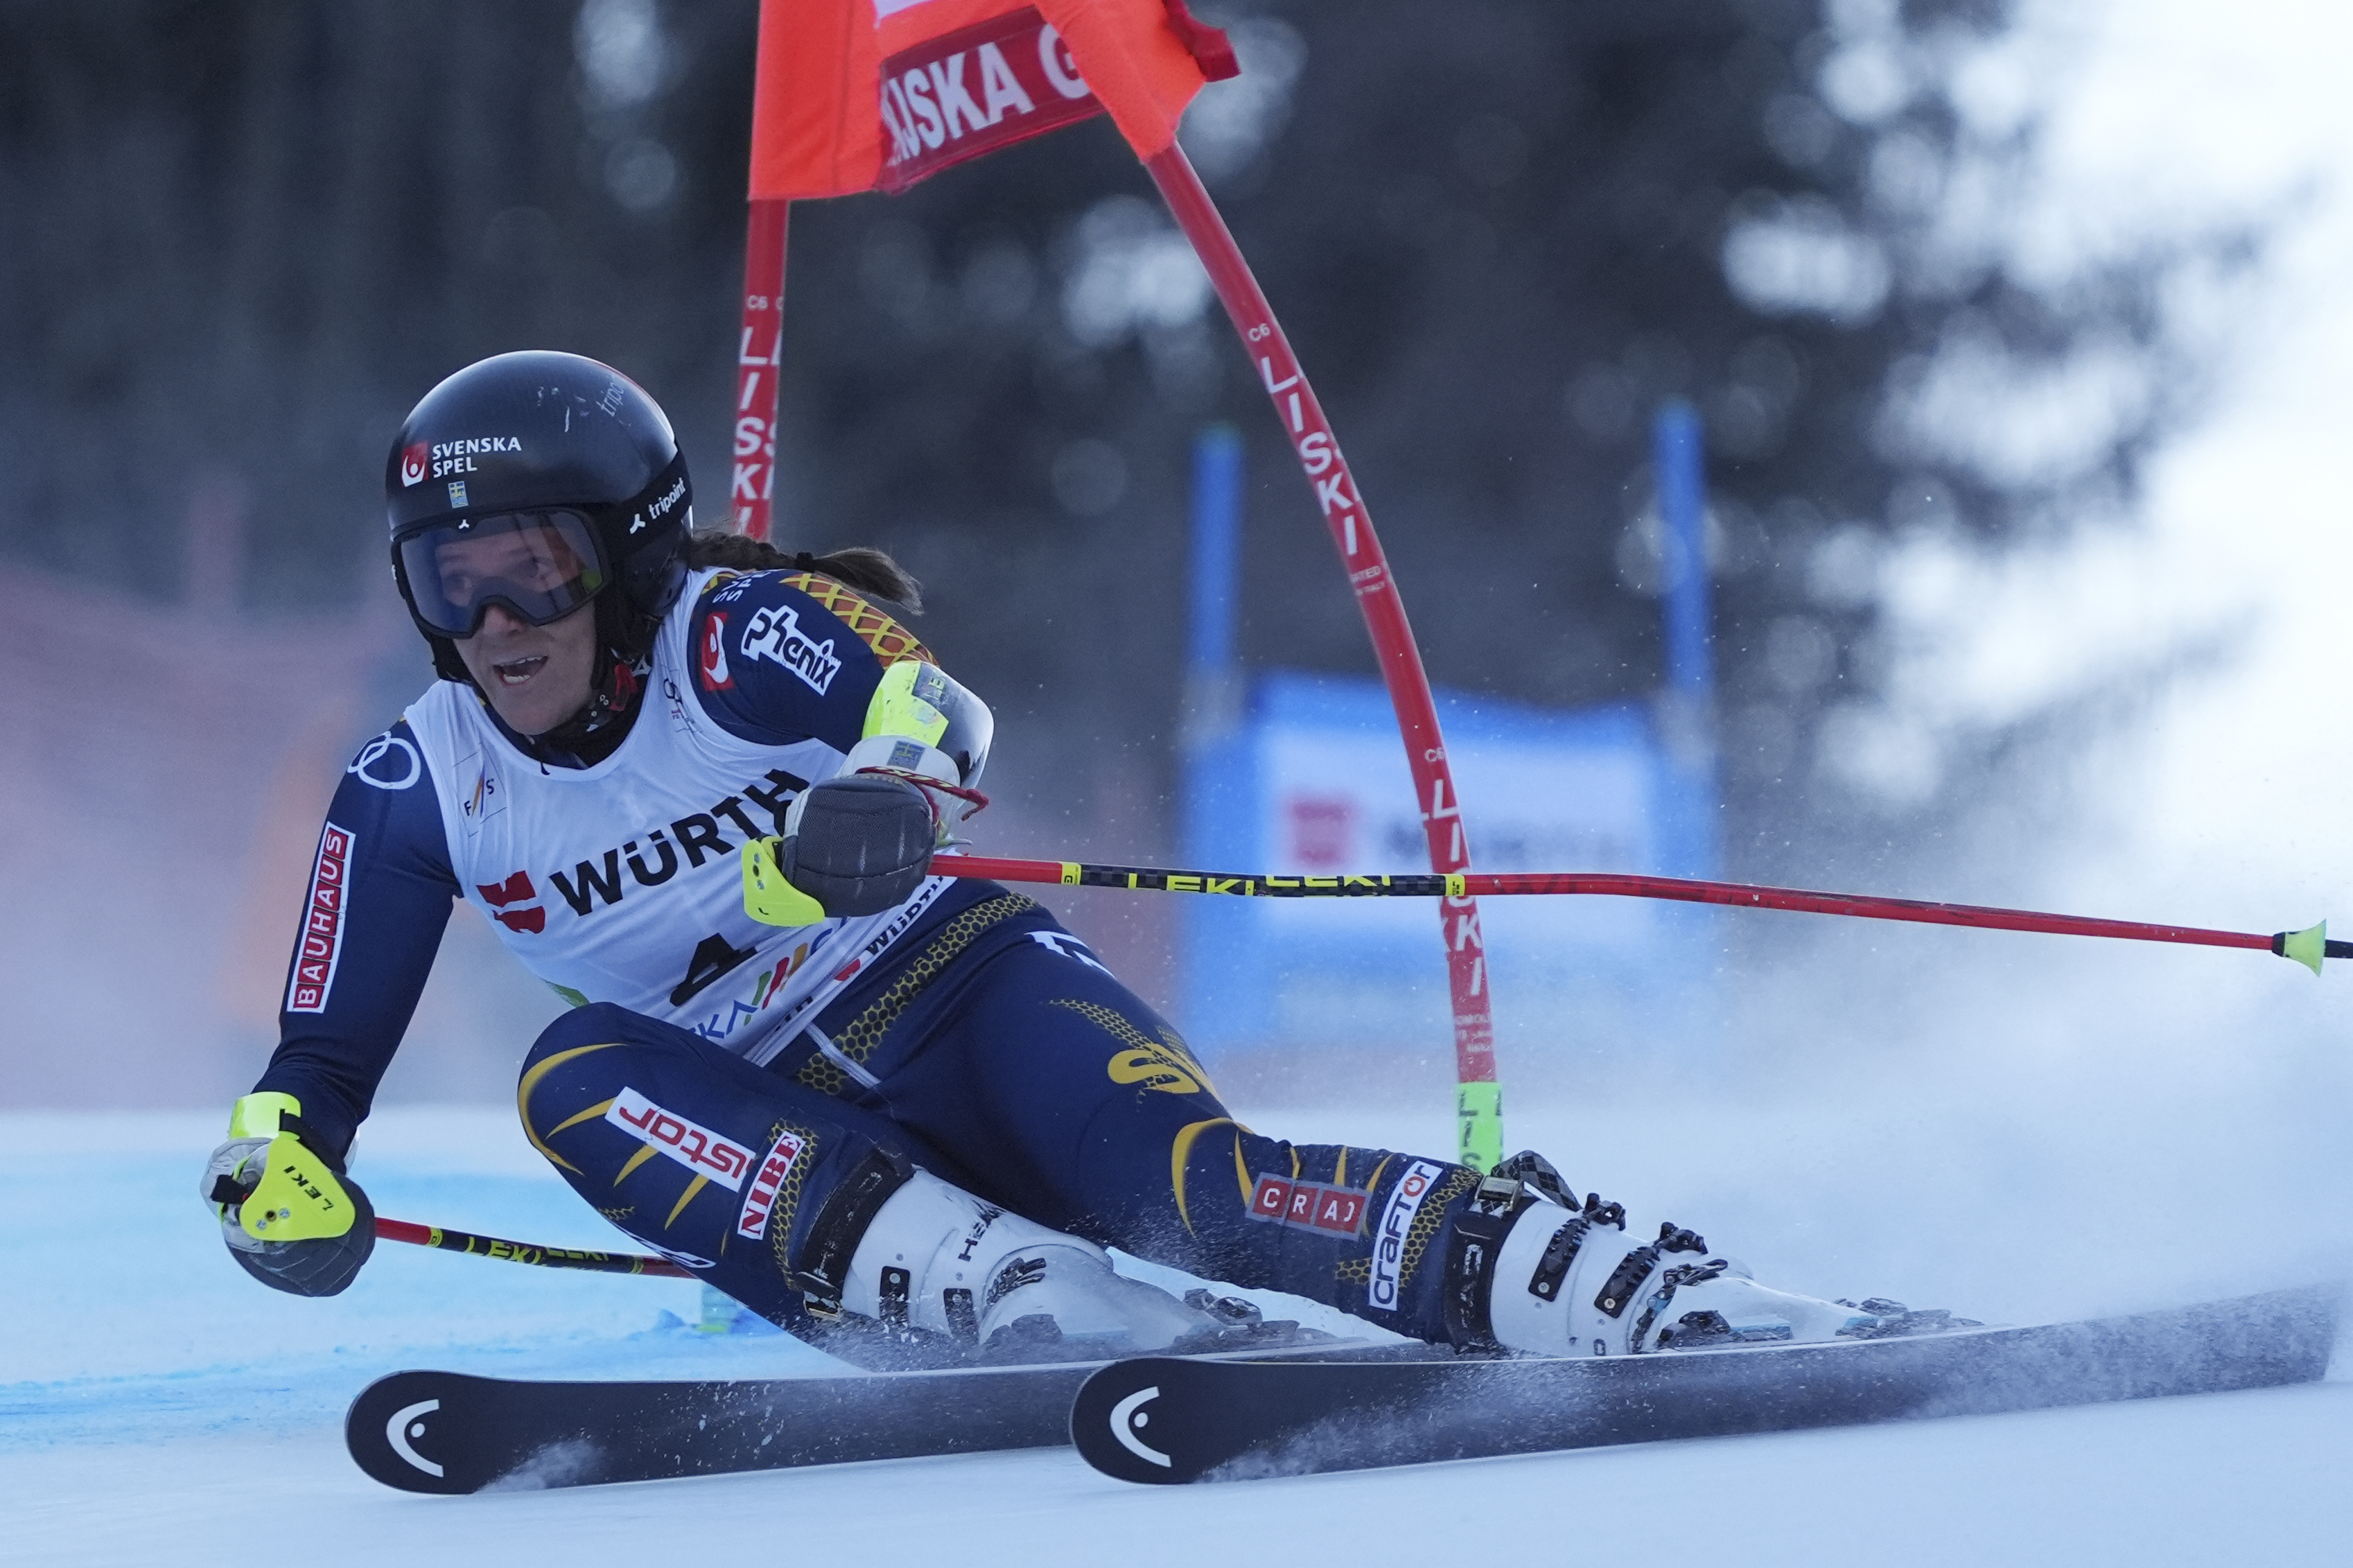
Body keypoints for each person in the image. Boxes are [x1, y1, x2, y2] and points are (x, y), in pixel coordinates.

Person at [201, 350, 1925, 1366]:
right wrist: (279, 1169)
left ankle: (1643, 1297)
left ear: (631, 563)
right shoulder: (415, 781)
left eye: (533, 573)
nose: (494, 625)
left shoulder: (732, 637)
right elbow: (318, 1060)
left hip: (957, 990)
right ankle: (1029, 1302)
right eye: (449, 583)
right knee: (571, 1071)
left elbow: (927, 702)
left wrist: (888, 790)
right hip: (776, 1137)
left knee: (1202, 1197)